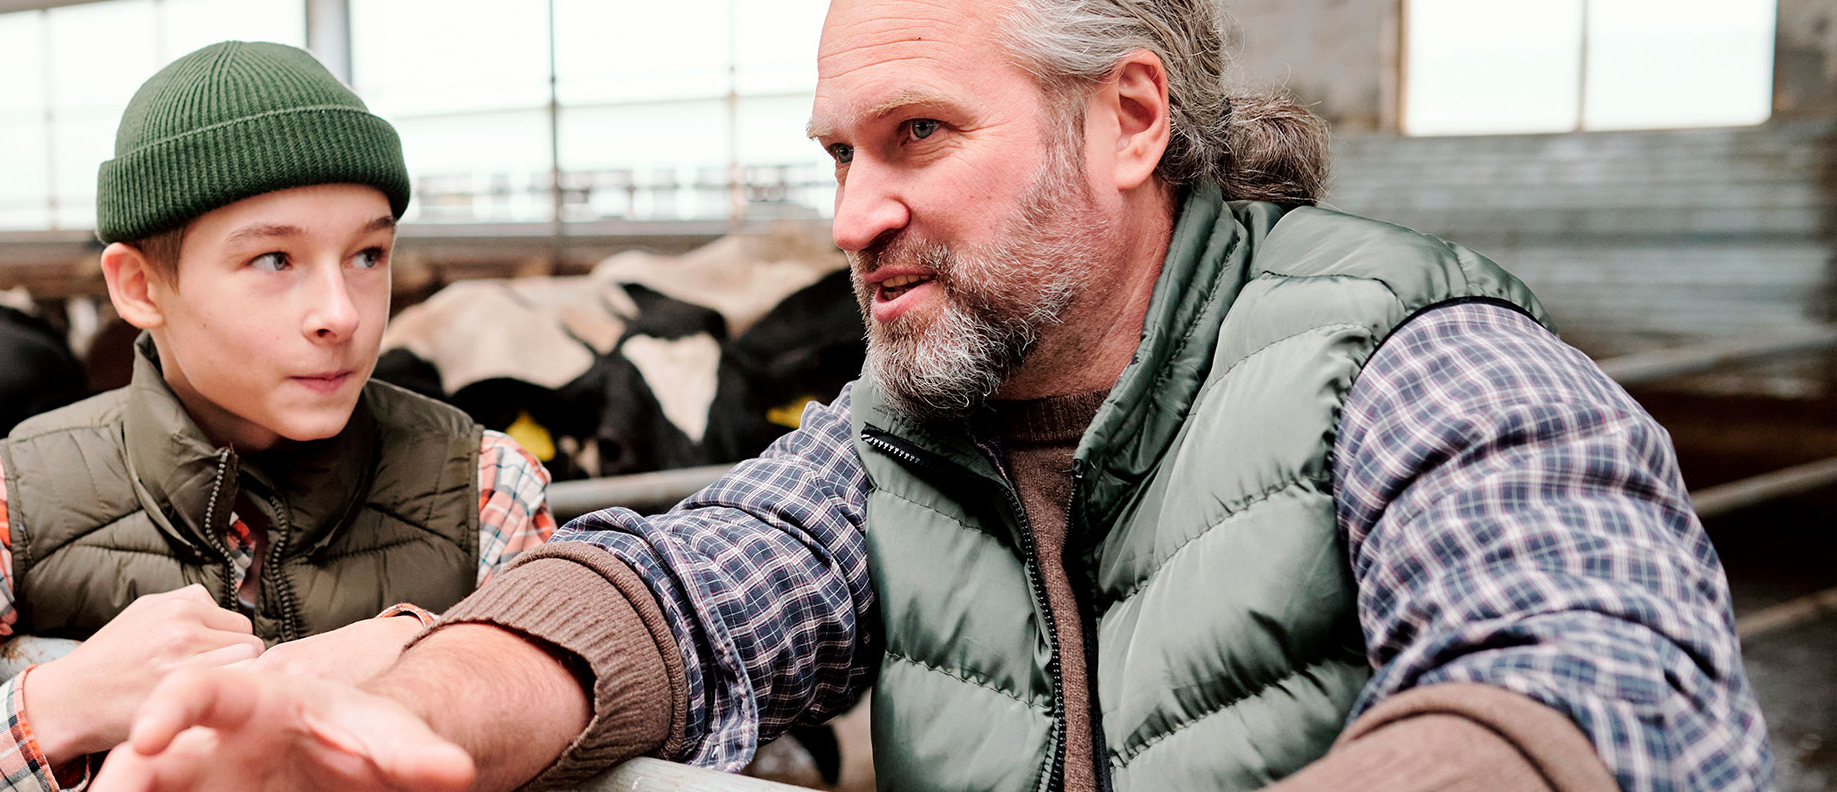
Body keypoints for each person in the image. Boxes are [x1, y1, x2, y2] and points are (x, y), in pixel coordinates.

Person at [89, 1, 1771, 791]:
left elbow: (1599, 681)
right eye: (837, 153)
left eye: (918, 137)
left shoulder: (1425, 365)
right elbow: (679, 586)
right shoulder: (905, 430)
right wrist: (407, 711)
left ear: (1128, 121)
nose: (849, 217)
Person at [0, 40, 559, 792]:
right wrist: (54, 708)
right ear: (139, 287)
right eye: (275, 261)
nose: (340, 314)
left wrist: (428, 648)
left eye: (368, 255)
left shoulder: (488, 490)